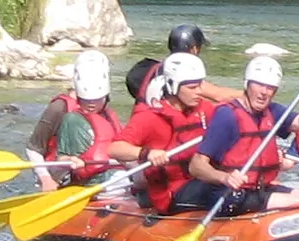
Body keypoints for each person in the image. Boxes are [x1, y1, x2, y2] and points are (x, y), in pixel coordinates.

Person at [175, 57, 299, 216]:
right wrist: (225, 177)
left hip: (258, 189)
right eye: (259, 84)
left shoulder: (272, 111)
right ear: (247, 84)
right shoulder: (227, 116)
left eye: (270, 87)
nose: (264, 92)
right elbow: (196, 166)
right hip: (228, 193)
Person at [107, 52, 216, 210]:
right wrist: (146, 153)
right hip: (171, 194)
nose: (199, 91)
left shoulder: (205, 109)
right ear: (173, 86)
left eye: (201, 85)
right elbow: (114, 149)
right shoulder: (150, 117)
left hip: (199, 180)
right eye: (192, 87)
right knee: (221, 189)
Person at [27, 49, 121, 192]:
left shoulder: (106, 113)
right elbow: (33, 148)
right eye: (87, 100)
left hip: (101, 179)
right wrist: (45, 179)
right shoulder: (59, 108)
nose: (92, 105)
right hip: (61, 179)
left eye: (97, 100)